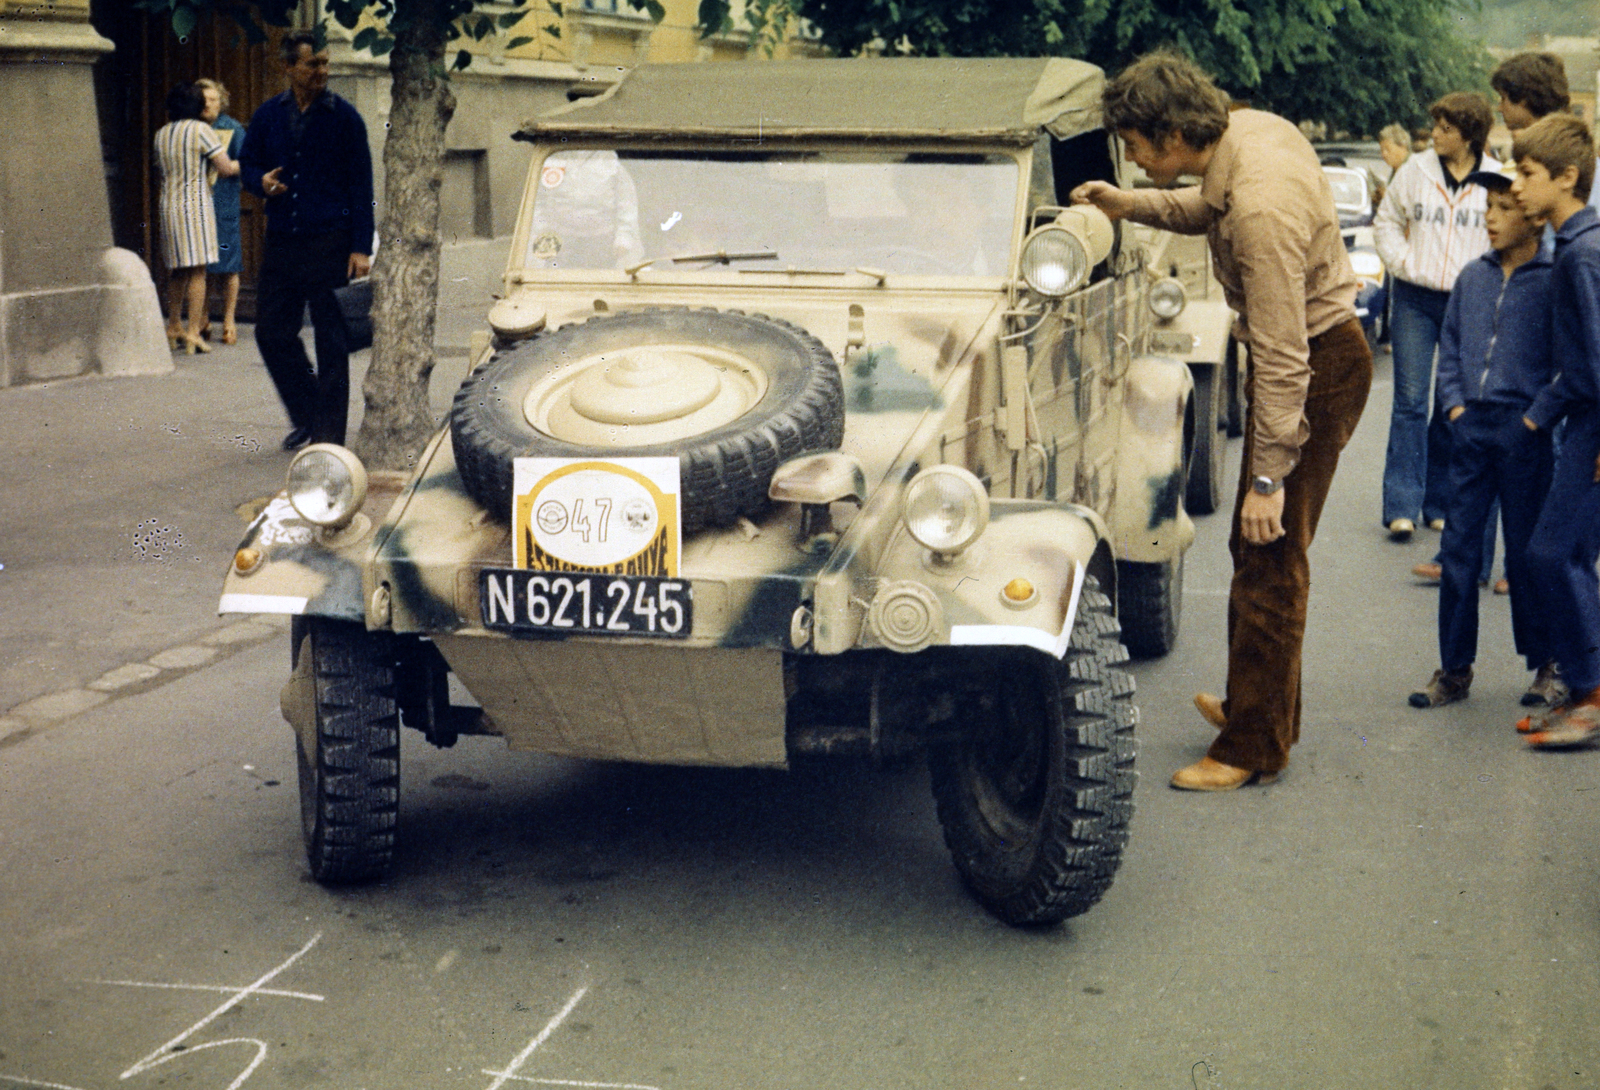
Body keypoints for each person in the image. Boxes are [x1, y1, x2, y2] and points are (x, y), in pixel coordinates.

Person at [1071, 50, 1372, 791]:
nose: (1136, 159)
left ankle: (1250, 747)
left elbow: (1281, 356)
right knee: (1258, 548)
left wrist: (1267, 474)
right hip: (1318, 358)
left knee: (1269, 553)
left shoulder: (1262, 209)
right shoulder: (1250, 131)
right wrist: (1128, 203)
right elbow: (1204, 207)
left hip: (1314, 369)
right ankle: (1258, 706)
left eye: (1138, 147)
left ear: (1173, 134)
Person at [1407, 165, 1558, 710]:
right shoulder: (1473, 276)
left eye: (1503, 210)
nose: (1489, 220)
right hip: (1470, 429)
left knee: (1525, 556)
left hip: (1524, 432)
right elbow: (1450, 344)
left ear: (1534, 220)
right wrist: (1452, 405)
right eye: (1485, 209)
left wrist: (1535, 419)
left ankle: (1545, 666)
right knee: (1458, 552)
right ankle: (1453, 669)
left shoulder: (1554, 277)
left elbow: (1569, 363)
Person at [1510, 115, 1600, 748]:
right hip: (1585, 419)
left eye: (1527, 173)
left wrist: (1540, 416)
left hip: (1595, 427)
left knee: (1551, 554)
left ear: (1567, 178)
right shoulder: (1575, 246)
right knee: (1567, 555)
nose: (1516, 187)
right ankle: (1586, 683)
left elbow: (1593, 364)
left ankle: (1591, 695)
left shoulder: (1582, 255)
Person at [239, 30, 374, 450]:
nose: (322, 71)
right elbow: (247, 164)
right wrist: (260, 182)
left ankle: (328, 436)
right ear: (288, 67)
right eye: (312, 64)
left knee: (331, 341)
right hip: (283, 241)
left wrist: (360, 247)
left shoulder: (344, 117)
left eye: (325, 63)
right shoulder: (267, 116)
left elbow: (361, 184)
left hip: (330, 242)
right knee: (272, 333)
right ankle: (308, 414)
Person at [1375, 93, 1498, 542]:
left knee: (1453, 404)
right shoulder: (1416, 170)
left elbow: (1505, 235)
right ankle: (1401, 504)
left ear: (1469, 134)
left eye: (1446, 128)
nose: (1436, 135)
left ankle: (1440, 502)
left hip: (1469, 303)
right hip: (1415, 299)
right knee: (1410, 400)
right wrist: (1406, 264)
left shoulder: (1495, 177)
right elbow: (1386, 221)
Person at [153, 82, 239, 354]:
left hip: (169, 205)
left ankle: (173, 325)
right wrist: (247, 162)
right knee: (199, 271)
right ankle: (193, 332)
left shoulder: (162, 134)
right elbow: (225, 168)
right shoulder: (201, 130)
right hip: (195, 206)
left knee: (178, 269)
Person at [197, 78, 245, 345]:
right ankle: (202, 318)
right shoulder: (190, 127)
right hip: (197, 203)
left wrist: (225, 166)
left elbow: (248, 161)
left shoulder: (232, 128)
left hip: (223, 201)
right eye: (204, 100)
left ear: (221, 101)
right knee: (199, 265)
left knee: (228, 266)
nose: (208, 105)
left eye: (213, 100)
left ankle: (228, 320)